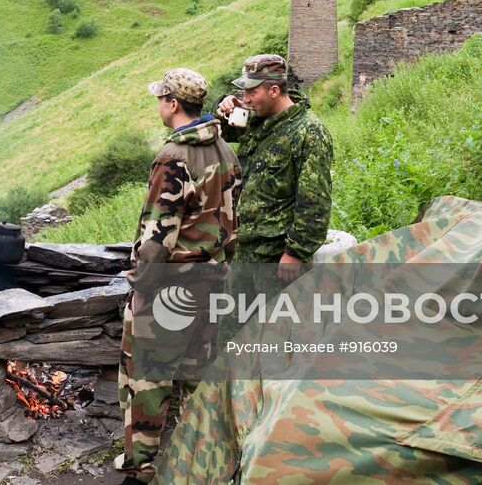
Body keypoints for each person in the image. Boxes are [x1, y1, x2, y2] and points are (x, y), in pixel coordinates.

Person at [116, 69, 240, 485]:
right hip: (212, 278)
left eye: (160, 98)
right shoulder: (225, 150)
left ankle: (141, 471)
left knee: (149, 379)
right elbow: (231, 220)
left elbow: (158, 233)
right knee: (195, 377)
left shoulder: (173, 157)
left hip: (170, 286)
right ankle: (197, 466)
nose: (158, 105)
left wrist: (142, 283)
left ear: (172, 104)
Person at [215, 54, 332, 282]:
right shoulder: (257, 120)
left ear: (274, 91)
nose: (245, 98)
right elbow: (220, 133)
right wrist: (225, 106)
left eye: (252, 92)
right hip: (245, 251)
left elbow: (315, 201)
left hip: (276, 258)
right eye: (243, 91)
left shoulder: (308, 131)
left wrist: (296, 253)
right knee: (233, 317)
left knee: (276, 317)